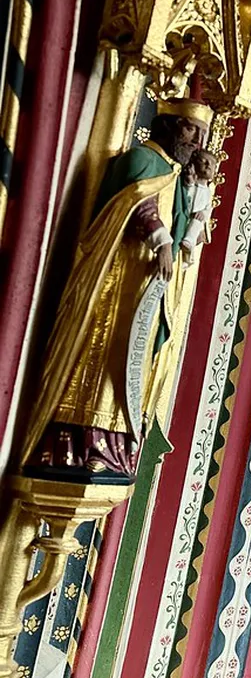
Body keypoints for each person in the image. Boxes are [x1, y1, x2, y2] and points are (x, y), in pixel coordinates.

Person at [23, 98, 213, 484]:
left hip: (143, 291)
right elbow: (136, 203)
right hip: (113, 286)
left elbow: (184, 224)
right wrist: (161, 241)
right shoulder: (142, 160)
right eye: (191, 129)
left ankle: (112, 443)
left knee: (130, 363)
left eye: (201, 133)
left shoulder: (176, 176)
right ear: (169, 125)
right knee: (99, 355)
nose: (196, 140)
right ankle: (75, 442)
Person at [180, 148, 218, 267]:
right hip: (184, 214)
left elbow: (208, 209)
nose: (208, 166)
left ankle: (189, 242)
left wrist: (203, 213)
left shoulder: (207, 192)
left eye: (212, 164)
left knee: (197, 222)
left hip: (195, 219)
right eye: (204, 161)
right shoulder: (189, 183)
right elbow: (186, 195)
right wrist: (190, 183)